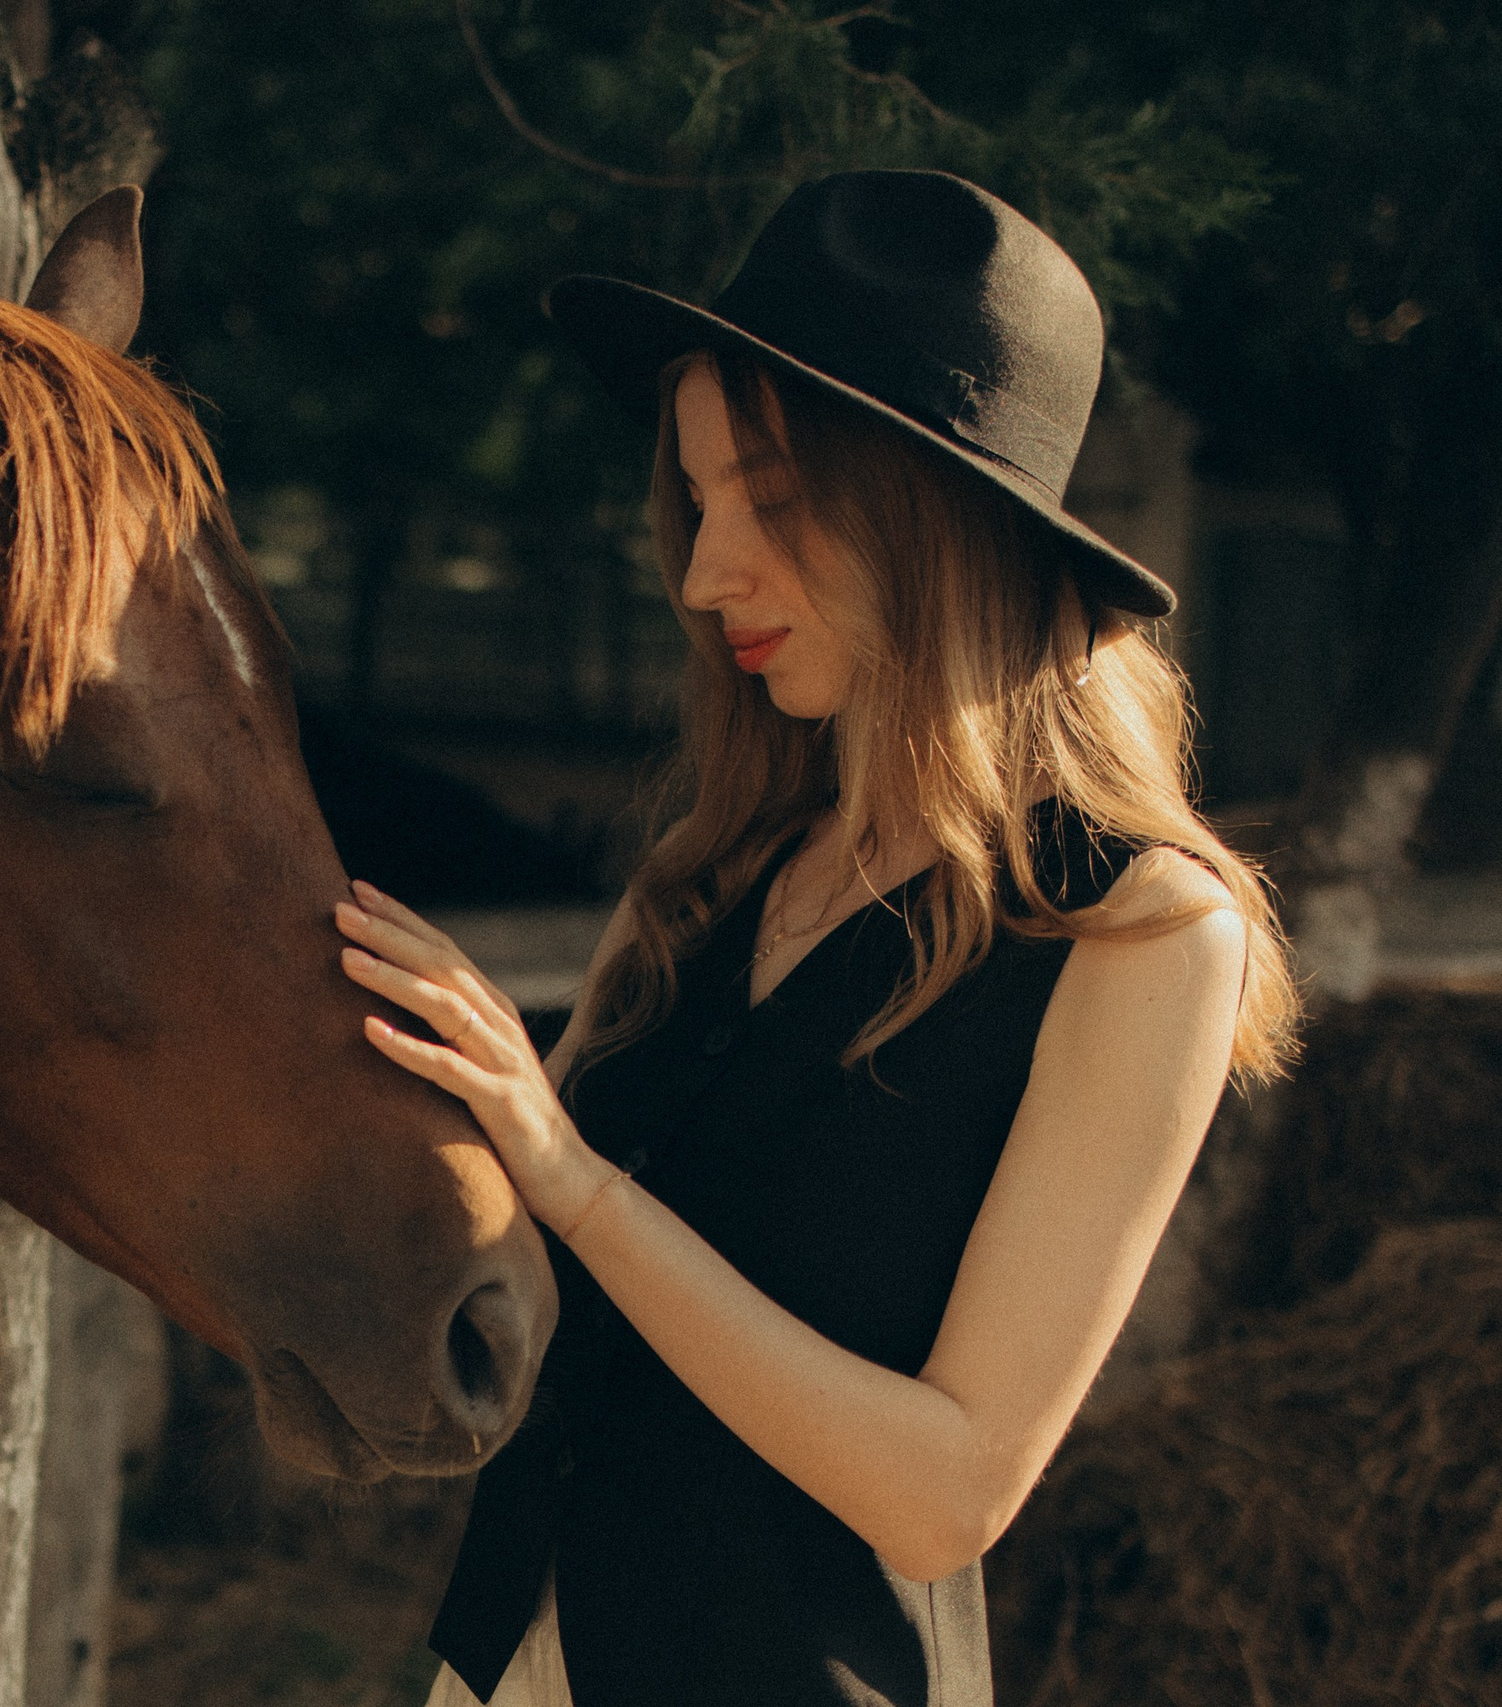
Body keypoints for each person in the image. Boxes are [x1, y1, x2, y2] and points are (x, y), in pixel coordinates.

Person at [332, 169, 1299, 1707]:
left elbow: (948, 1492)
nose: (708, 573)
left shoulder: (1144, 934)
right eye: (700, 500)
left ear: (943, 525)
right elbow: (508, 1273)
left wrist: (574, 1180)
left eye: (770, 504)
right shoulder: (707, 876)